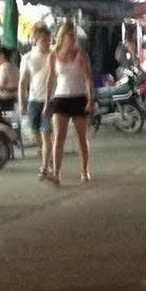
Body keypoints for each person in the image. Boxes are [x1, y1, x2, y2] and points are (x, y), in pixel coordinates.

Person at [47, 21, 94, 186]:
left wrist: (90, 99)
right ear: (62, 37)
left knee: (81, 137)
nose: (72, 39)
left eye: (73, 36)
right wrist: (47, 102)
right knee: (59, 137)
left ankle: (85, 170)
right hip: (60, 98)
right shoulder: (54, 55)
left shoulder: (81, 55)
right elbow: (51, 79)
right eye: (69, 36)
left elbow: (88, 79)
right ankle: (56, 173)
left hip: (79, 97)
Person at [19, 23, 54, 180]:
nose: (46, 43)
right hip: (34, 100)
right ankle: (46, 153)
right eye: (43, 40)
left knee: (46, 133)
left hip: (51, 100)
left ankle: (45, 166)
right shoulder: (27, 58)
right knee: (36, 132)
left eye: (48, 40)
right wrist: (21, 102)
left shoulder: (54, 56)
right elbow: (23, 81)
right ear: (36, 40)